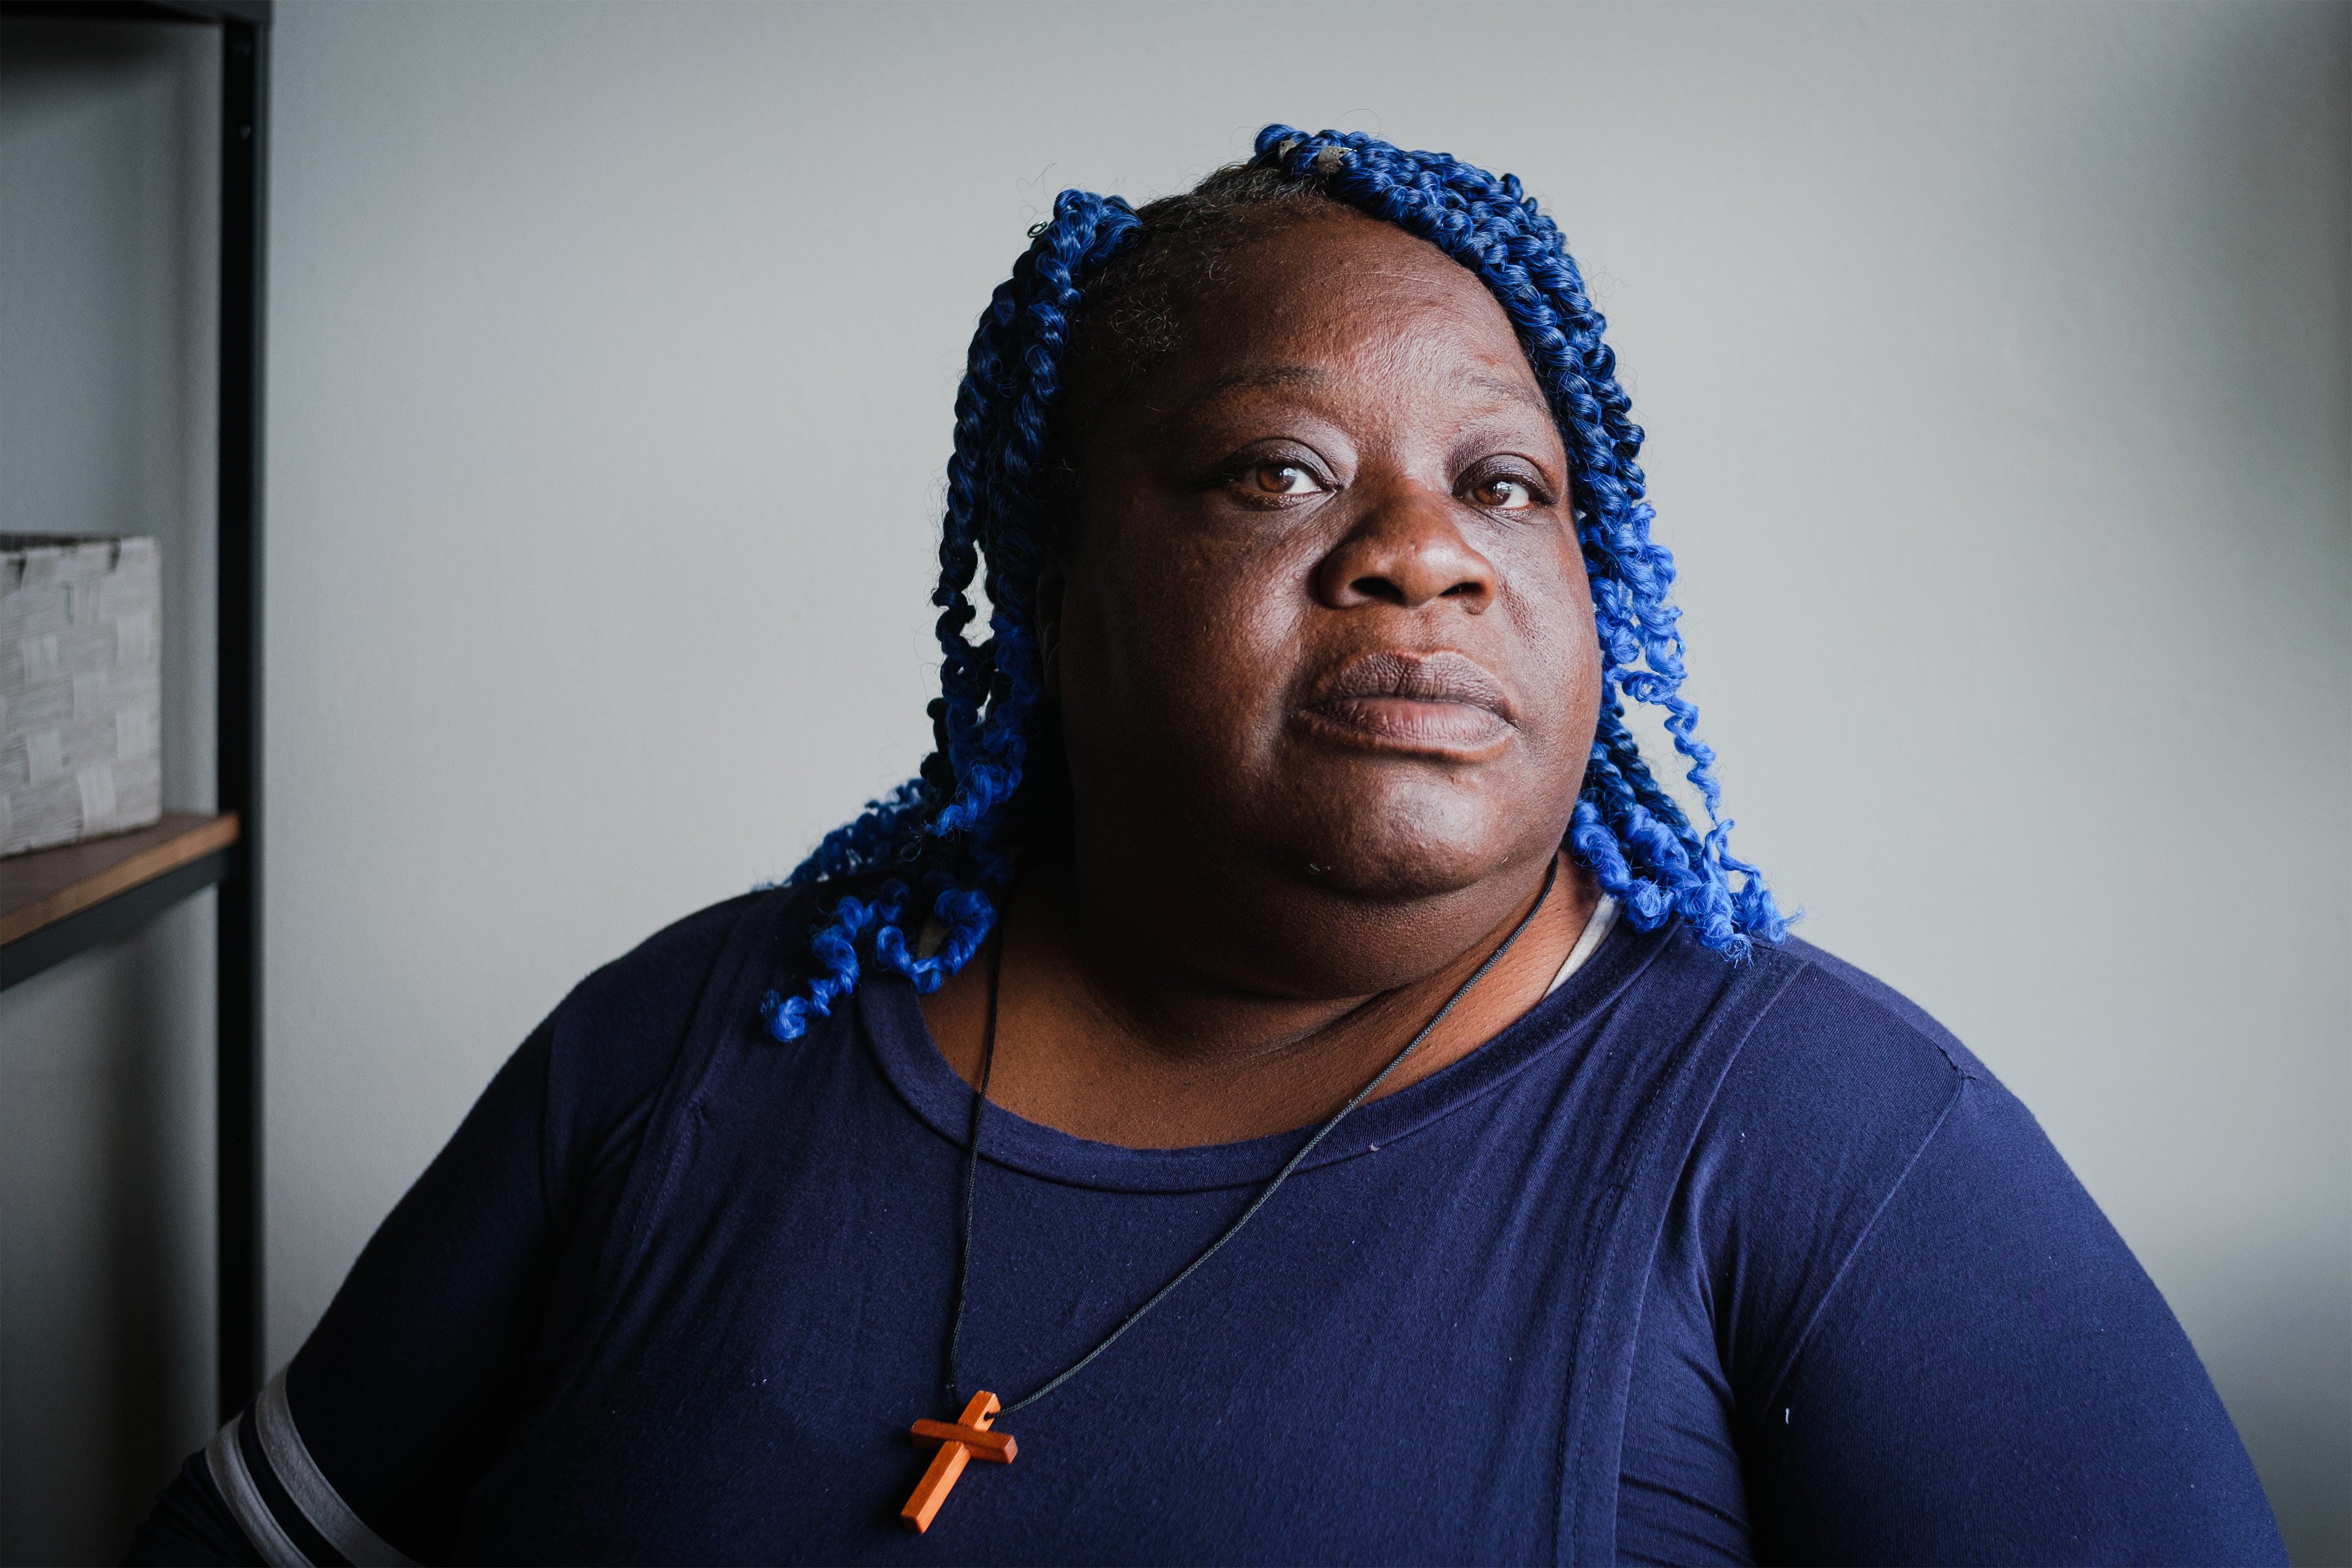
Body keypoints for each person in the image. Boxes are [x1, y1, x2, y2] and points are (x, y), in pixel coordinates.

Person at [132, 125, 2283, 1567]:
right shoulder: (685, 1046)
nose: (1423, 556)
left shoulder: (1829, 1139)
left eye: (1508, 487)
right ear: (1056, 594)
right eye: (1276, 470)